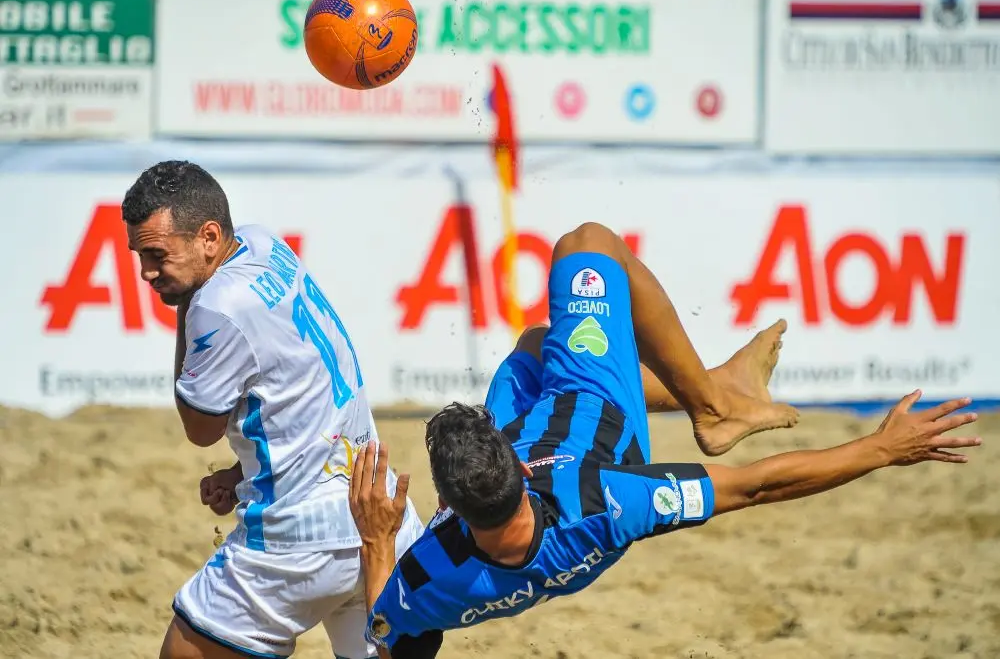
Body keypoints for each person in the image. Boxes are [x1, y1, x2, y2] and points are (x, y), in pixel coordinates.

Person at [346, 222, 981, 659]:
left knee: (531, 349)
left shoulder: (427, 580)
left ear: (449, 505)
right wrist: (883, 448)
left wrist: (378, 540)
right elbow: (759, 485)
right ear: (511, 463)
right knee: (587, 243)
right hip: (593, 418)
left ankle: (722, 388)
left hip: (527, 457)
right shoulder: (612, 502)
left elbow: (386, 632)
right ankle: (713, 402)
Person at [121, 160, 425, 659]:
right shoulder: (265, 245)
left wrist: (185, 307)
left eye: (156, 255)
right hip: (378, 513)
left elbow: (198, 427)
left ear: (209, 237)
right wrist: (245, 468)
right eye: (138, 255)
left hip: (297, 545)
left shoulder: (214, 306)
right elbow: (305, 386)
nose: (146, 273)